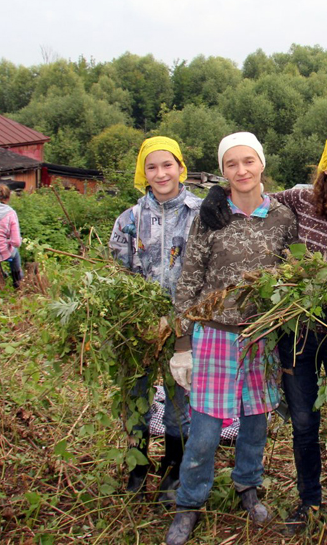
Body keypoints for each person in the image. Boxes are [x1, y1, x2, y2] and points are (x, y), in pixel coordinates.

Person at [200, 130, 327, 542]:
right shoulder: (301, 202)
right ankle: (308, 501)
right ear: (326, 167)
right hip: (298, 336)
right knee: (304, 421)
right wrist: (217, 196)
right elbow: (252, 192)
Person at [164, 132, 297, 545]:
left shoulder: (282, 217)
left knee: (256, 421)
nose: (241, 171)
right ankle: (189, 503)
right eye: (231, 165)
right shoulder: (211, 215)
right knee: (205, 428)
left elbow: (297, 271)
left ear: (261, 164)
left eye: (248, 162)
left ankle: (247, 486)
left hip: (261, 336)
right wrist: (181, 342)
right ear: (223, 172)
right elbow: (189, 279)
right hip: (214, 334)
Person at [108, 136, 202, 504]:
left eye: (168, 165)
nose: (161, 173)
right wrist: (138, 319)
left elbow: (206, 275)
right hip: (140, 329)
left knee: (180, 397)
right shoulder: (130, 220)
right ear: (142, 173)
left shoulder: (199, 213)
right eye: (152, 167)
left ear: (181, 168)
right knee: (135, 396)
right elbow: (117, 276)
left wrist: (184, 329)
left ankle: (174, 466)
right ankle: (137, 465)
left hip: (184, 328)